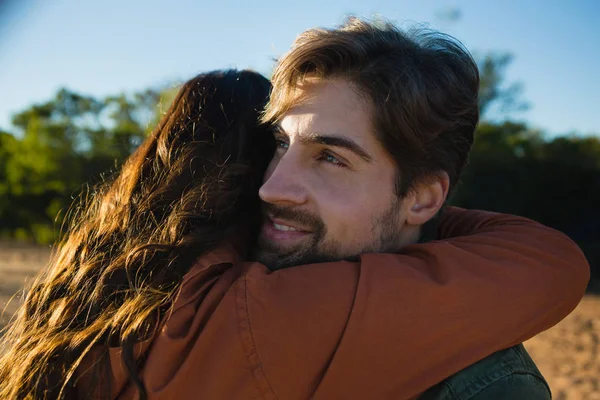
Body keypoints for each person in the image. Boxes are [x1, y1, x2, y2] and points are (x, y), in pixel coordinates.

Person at [0, 28, 589, 400]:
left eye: (329, 157)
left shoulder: (97, 304)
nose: (272, 189)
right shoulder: (247, 312)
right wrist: (423, 221)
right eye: (276, 148)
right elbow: (550, 261)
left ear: (423, 195)